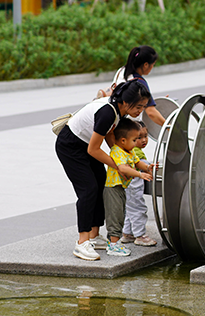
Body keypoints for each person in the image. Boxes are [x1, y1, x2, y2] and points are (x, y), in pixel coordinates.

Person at [55, 80, 152, 261]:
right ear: (126, 101)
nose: (141, 111)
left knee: (101, 184)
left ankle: (94, 235)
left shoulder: (117, 111)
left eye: (143, 107)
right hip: (71, 146)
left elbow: (109, 134)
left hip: (85, 145)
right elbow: (93, 149)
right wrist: (117, 165)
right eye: (139, 106)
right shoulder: (108, 112)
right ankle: (82, 243)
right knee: (88, 189)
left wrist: (122, 159)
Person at [103, 120, 153, 257]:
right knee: (115, 216)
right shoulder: (117, 151)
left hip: (121, 188)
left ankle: (123, 237)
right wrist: (139, 174)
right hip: (113, 188)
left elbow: (138, 162)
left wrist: (148, 167)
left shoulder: (129, 151)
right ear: (123, 140)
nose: (138, 142)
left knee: (123, 212)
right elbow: (123, 168)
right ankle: (113, 245)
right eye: (135, 139)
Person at [101, 46, 165, 128]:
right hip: (130, 125)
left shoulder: (121, 70)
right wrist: (168, 126)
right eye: (152, 65)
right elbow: (151, 112)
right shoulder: (139, 82)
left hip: (115, 119)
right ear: (146, 65)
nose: (152, 68)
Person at [121, 127, 158, 247]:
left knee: (130, 209)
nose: (144, 140)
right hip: (132, 186)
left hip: (128, 186)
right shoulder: (133, 151)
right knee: (138, 209)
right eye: (138, 138)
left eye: (145, 136)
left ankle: (128, 233)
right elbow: (138, 164)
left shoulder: (133, 150)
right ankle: (140, 236)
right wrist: (148, 167)